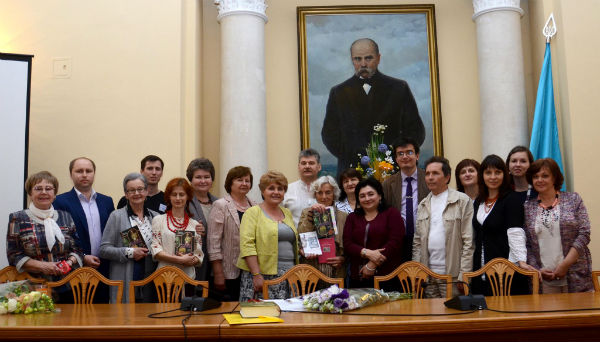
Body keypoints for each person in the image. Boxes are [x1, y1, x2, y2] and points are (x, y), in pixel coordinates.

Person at [321, 38, 425, 174]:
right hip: (352, 173)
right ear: (352, 60)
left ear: (378, 58)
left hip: (393, 171)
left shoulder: (399, 88)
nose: (363, 64)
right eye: (357, 59)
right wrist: (355, 155)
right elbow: (329, 134)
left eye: (368, 58)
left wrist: (394, 155)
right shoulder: (338, 92)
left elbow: (416, 131)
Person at [6, 171, 84, 302]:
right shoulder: (17, 218)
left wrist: (68, 263)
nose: (44, 192)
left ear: (54, 194)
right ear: (30, 193)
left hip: (67, 286)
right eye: (38, 189)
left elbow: (78, 250)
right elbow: (14, 255)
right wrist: (44, 266)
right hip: (31, 289)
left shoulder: (66, 216)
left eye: (48, 189)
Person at [521, 158, 593, 293]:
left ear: (554, 178)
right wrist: (537, 269)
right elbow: (527, 244)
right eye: (535, 176)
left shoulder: (573, 199)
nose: (539, 180)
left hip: (575, 274)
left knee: (579, 313)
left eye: (545, 176)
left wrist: (565, 265)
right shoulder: (527, 207)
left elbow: (584, 233)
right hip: (544, 279)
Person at [53, 157, 115, 302]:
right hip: (75, 269)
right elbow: (59, 237)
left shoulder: (107, 201)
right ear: (71, 174)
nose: (84, 174)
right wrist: (83, 256)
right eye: (79, 171)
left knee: (103, 316)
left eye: (89, 171)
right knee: (75, 317)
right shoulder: (60, 201)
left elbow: (111, 233)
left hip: (104, 268)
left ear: (94, 173)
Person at [413, 157, 474, 298]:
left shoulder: (462, 200)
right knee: (433, 318)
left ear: (447, 177)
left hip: (452, 277)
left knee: (453, 317)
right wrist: (417, 273)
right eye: (427, 174)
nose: (430, 177)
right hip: (428, 277)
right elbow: (417, 243)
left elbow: (468, 241)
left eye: (435, 173)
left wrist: (463, 275)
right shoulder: (423, 204)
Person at [470, 155, 528, 295]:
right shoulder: (479, 201)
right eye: (488, 173)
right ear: (482, 175)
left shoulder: (511, 199)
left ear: (505, 174)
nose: (493, 177)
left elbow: (516, 232)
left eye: (498, 172)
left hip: (505, 270)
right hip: (480, 269)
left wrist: (521, 261)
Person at [237, 171, 298, 301]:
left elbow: (290, 242)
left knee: (289, 318)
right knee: (261, 317)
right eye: (271, 188)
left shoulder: (287, 213)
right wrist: (256, 274)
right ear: (263, 191)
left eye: (280, 189)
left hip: (289, 274)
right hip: (262, 275)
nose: (276, 192)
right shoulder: (252, 212)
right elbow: (247, 245)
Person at [99, 173, 159, 303]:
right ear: (126, 194)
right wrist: (130, 252)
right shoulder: (116, 216)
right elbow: (104, 249)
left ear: (147, 191)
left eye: (140, 189)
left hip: (152, 276)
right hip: (127, 276)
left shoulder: (156, 217)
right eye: (132, 190)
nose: (137, 193)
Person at [343, 177, 404, 291]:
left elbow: (395, 242)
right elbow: (347, 243)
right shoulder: (352, 217)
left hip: (387, 278)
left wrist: (372, 264)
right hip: (357, 279)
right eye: (362, 196)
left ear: (380, 195)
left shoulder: (391, 213)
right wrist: (367, 253)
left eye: (371, 194)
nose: (367, 198)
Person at [207, 166, 256, 301]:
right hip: (228, 270)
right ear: (230, 183)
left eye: (247, 180)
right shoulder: (221, 205)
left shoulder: (254, 206)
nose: (244, 183)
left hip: (249, 270)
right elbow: (213, 241)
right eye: (240, 180)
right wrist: (218, 273)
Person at [382, 137, 429, 263]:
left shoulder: (428, 179)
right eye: (400, 154)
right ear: (396, 159)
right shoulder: (388, 184)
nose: (405, 157)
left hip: (425, 239)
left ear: (417, 156)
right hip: (398, 241)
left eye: (409, 152)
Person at [151, 178, 203, 280]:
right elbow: (156, 250)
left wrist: (194, 260)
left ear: (188, 197)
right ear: (169, 197)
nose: (178, 198)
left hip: (188, 279)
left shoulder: (195, 224)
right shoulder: (159, 220)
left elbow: (198, 254)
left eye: (182, 194)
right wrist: (179, 260)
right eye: (174, 194)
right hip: (164, 278)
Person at [298, 176, 347, 279]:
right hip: (312, 269)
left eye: (328, 192)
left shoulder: (343, 216)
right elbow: (300, 237)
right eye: (320, 193)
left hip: (336, 270)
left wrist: (343, 258)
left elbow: (349, 243)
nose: (324, 197)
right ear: (315, 195)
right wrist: (311, 215)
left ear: (334, 194)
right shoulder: (307, 212)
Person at [185, 158, 217, 281]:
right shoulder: (184, 202)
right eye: (198, 177)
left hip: (216, 264)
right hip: (194, 263)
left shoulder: (219, 202)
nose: (203, 181)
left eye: (207, 177)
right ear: (191, 180)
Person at [283, 148, 321, 227]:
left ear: (319, 167)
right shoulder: (287, 190)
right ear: (298, 167)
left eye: (311, 163)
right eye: (303, 163)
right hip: (294, 238)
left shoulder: (326, 191)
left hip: (322, 238)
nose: (307, 166)